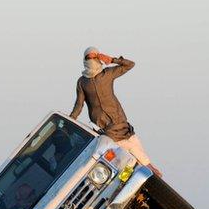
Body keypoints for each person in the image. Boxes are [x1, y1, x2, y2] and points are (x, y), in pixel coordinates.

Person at [69, 47, 163, 177]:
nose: (91, 60)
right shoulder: (82, 82)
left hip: (121, 122)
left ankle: (143, 177)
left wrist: (112, 59)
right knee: (130, 154)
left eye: (94, 57)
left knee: (136, 153)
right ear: (84, 60)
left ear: (98, 58)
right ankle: (149, 172)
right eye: (88, 58)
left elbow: (130, 64)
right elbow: (79, 104)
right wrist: (71, 121)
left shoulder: (107, 73)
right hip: (107, 127)